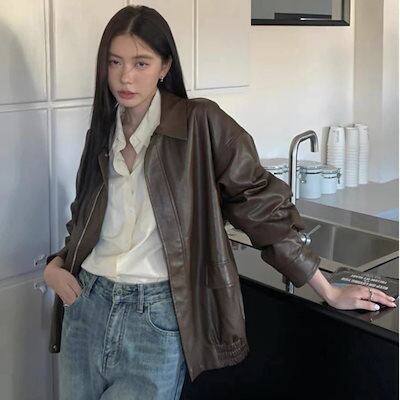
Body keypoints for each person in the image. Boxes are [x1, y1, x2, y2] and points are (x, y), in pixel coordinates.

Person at [43, 5, 397, 400]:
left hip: (155, 319)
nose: (125, 76)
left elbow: (260, 205)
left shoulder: (199, 123)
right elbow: (85, 219)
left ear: (164, 66)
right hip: (86, 307)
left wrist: (327, 289)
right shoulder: (102, 132)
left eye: (141, 63)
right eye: (115, 62)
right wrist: (56, 267)